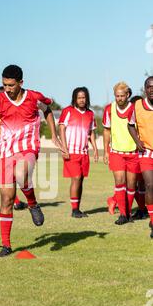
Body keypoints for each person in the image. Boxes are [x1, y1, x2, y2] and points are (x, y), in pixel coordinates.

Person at [0, 64, 66, 257]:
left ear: (21, 82)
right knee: (6, 198)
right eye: (4, 85)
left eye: (11, 85)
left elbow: (48, 110)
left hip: (27, 146)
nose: (7, 89)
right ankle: (6, 245)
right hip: (4, 150)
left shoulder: (34, 97)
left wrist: (53, 135)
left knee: (21, 174)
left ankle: (32, 203)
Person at [102, 83, 140, 225]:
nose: (119, 98)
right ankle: (123, 214)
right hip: (116, 152)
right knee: (120, 181)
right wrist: (106, 150)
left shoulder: (135, 108)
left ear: (128, 95)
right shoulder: (109, 109)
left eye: (122, 96)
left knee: (131, 185)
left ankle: (128, 213)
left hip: (133, 153)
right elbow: (106, 130)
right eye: (117, 96)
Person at [59, 87, 98, 218]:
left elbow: (91, 132)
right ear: (75, 99)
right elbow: (62, 129)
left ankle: (78, 208)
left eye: (84, 97)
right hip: (71, 152)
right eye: (79, 98)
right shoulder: (67, 111)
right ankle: (74, 210)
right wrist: (64, 148)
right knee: (75, 178)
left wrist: (96, 149)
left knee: (80, 180)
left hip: (84, 152)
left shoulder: (90, 114)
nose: (82, 100)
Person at [128, 76, 153, 238]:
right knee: (150, 185)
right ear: (145, 89)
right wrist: (137, 141)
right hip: (147, 153)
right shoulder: (137, 105)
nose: (152, 89)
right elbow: (130, 125)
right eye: (149, 86)